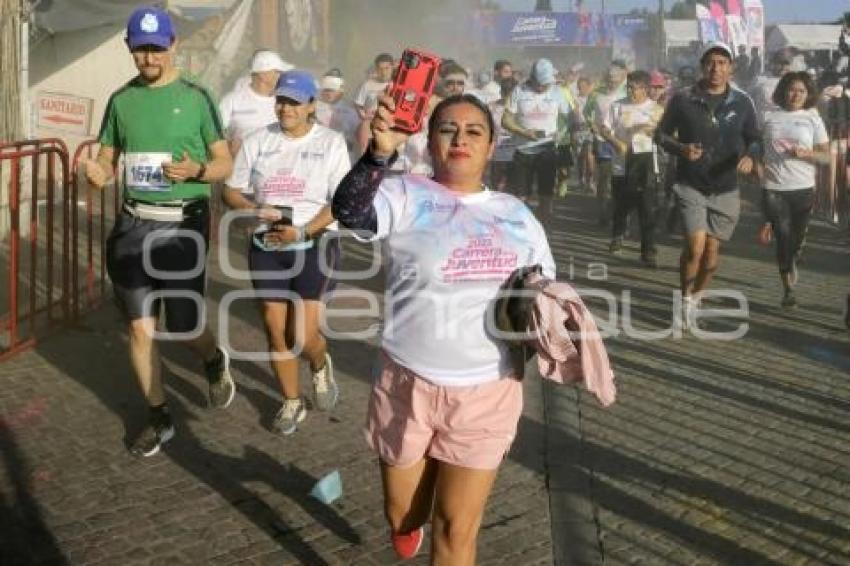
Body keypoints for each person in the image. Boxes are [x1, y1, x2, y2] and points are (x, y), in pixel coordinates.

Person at [331, 93, 555, 564]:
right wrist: (378, 155)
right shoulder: (405, 193)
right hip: (407, 382)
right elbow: (350, 212)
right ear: (430, 141)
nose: (460, 138)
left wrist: (553, 315)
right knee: (402, 514)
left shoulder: (517, 215)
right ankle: (409, 518)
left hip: (487, 391)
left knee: (455, 532)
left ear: (492, 146)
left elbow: (545, 293)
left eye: (474, 131)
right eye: (448, 129)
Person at [82, 6, 235, 457]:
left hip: (183, 226)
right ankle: (159, 416)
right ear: (129, 48)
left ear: (173, 45)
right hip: (133, 224)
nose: (148, 56)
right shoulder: (121, 100)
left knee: (185, 327)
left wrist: (200, 170)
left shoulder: (196, 97)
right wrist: (97, 172)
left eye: (155, 47)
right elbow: (107, 160)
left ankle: (212, 356)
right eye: (139, 48)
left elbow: (225, 162)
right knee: (140, 329)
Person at [222, 70, 349, 435]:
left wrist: (303, 231)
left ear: (312, 105)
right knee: (275, 330)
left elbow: (340, 202)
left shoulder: (331, 142)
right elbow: (231, 190)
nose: (286, 108)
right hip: (267, 245)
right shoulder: (258, 140)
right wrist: (250, 210)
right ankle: (292, 401)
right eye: (281, 100)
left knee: (301, 335)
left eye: (294, 102)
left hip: (314, 242)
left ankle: (320, 362)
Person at [655, 41, 760, 329]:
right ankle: (683, 297)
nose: (716, 68)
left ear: (731, 68)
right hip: (690, 184)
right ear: (703, 66)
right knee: (695, 247)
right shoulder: (683, 98)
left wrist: (751, 156)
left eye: (722, 63)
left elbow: (755, 137)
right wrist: (681, 149)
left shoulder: (742, 101)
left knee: (712, 255)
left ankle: (694, 299)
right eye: (711, 62)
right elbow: (660, 136)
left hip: (725, 187)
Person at [759, 71, 830, 308]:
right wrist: (755, 164)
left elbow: (827, 157)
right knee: (783, 236)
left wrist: (807, 153)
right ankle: (788, 289)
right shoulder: (768, 116)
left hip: (803, 187)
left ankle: (795, 255)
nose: (796, 95)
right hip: (774, 187)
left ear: (808, 94)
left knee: (795, 240)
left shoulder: (812, 117)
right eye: (791, 89)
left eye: (801, 91)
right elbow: (755, 145)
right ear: (783, 91)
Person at [601, 70, 664, 267]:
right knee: (621, 204)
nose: (630, 91)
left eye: (634, 88)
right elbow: (603, 128)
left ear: (645, 89)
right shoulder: (617, 106)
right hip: (622, 162)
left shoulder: (656, 110)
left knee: (647, 209)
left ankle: (648, 251)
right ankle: (618, 235)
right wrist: (615, 141)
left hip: (646, 163)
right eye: (628, 87)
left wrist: (653, 130)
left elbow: (667, 133)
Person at [502, 58, 572, 227]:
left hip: (547, 151)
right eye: (539, 84)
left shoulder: (558, 92)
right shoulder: (519, 90)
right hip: (523, 150)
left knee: (546, 195)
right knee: (521, 196)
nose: (543, 87)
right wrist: (524, 132)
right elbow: (505, 120)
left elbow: (570, 117)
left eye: (546, 84)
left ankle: (544, 230)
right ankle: (522, 228)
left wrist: (561, 135)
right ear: (532, 78)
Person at [219, 49, 292, 156]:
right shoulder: (231, 101)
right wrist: (228, 146)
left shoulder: (287, 102)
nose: (282, 76)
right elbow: (214, 135)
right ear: (263, 75)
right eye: (278, 72)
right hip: (243, 168)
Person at [587, 60, 628, 225]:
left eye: (615, 78)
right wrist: (593, 126)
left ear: (621, 78)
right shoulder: (596, 94)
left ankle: (617, 211)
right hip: (602, 141)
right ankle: (602, 212)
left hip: (621, 142)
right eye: (609, 78)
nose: (612, 81)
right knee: (604, 179)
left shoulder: (626, 93)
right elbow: (586, 113)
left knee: (620, 179)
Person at [315, 68, 361, 163]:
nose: (328, 93)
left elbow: (358, 139)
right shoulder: (313, 108)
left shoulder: (350, 112)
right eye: (326, 90)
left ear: (340, 91)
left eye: (332, 90)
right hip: (318, 155)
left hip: (343, 156)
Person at [355, 52, 394, 120]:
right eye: (380, 69)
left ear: (392, 67)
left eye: (386, 68)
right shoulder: (367, 85)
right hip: (369, 123)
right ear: (376, 69)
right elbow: (358, 105)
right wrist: (364, 116)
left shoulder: (396, 86)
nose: (384, 72)